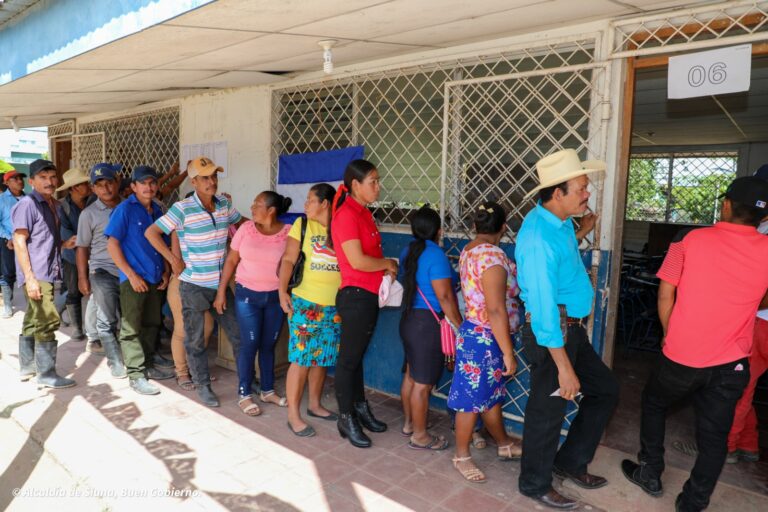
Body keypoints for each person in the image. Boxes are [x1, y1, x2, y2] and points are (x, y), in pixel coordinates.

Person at [622, 176, 768, 512]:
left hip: (683, 355)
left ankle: (651, 472)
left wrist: (670, 334)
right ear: (762, 216)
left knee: (655, 403)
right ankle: (693, 502)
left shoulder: (689, 238)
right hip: (733, 363)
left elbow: (665, 293)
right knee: (715, 438)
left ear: (726, 204)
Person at [515, 149, 618, 510]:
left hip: (570, 330)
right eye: (581, 188)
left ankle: (569, 462)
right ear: (557, 193)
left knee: (604, 391)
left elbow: (562, 260)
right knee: (548, 413)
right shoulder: (538, 237)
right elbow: (542, 308)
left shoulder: (557, 225)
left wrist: (584, 228)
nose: (587, 193)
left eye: (586, 186)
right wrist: (563, 365)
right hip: (552, 334)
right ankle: (534, 483)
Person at [146, 156, 244, 408]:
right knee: (195, 339)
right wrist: (172, 259)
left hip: (220, 285)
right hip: (194, 286)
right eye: (205, 178)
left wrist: (266, 229)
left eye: (214, 176)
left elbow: (241, 223)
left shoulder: (223, 204)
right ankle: (203, 385)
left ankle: (247, 382)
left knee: (238, 335)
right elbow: (152, 232)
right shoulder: (182, 208)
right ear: (194, 181)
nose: (212, 182)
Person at [446, 201, 522, 481]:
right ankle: (461, 456)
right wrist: (508, 352)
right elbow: (495, 309)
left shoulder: (470, 250)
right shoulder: (492, 257)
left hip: (477, 334)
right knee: (470, 400)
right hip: (485, 338)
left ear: (476, 225)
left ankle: (503, 445)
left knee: (490, 397)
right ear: (504, 227)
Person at [330, 159, 398, 448]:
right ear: (355, 185)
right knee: (347, 360)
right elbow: (357, 261)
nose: (377, 186)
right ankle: (345, 418)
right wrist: (387, 263)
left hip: (367, 296)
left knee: (355, 357)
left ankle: (359, 408)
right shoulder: (346, 215)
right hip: (355, 296)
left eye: (378, 180)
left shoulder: (364, 214)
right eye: (372, 181)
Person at [217, 191, 291, 416]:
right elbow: (231, 260)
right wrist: (221, 291)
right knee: (249, 345)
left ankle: (267, 390)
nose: (252, 208)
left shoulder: (288, 233)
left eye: (257, 204)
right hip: (247, 296)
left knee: (268, 345)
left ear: (271, 210)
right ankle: (244, 393)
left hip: (275, 298)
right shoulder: (245, 229)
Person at [105, 166, 175, 396]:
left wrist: (165, 271)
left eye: (153, 182)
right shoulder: (124, 210)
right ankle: (136, 374)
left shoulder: (158, 210)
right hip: (134, 278)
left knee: (152, 322)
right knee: (131, 327)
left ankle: (147, 365)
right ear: (133, 187)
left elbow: (162, 243)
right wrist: (131, 275)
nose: (149, 187)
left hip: (155, 276)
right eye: (143, 183)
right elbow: (112, 245)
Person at [278, 184, 341, 437]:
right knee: (301, 359)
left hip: (334, 306)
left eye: (310, 200)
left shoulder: (341, 228)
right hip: (305, 303)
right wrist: (282, 291)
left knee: (323, 357)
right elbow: (288, 259)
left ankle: (315, 404)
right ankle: (293, 415)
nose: (305, 205)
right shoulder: (302, 226)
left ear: (325, 203)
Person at [398, 206, 462, 451]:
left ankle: (408, 424)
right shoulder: (436, 255)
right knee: (423, 385)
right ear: (439, 230)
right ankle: (421, 435)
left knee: (411, 377)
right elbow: (445, 298)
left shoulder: (408, 251)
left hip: (409, 320)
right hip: (427, 325)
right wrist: (461, 326)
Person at [11, 159, 76, 388]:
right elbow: (19, 241)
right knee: (47, 319)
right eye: (43, 178)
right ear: (32, 182)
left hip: (48, 268)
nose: (49, 182)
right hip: (37, 273)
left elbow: (44, 238)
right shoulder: (28, 204)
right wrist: (30, 279)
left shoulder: (52, 204)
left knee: (33, 318)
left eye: (52, 177)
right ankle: (47, 374)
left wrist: (64, 243)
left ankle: (27, 366)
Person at [726, 164, 768, 465]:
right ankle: (749, 444)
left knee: (737, 387)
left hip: (762, 321)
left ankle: (724, 448)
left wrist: (750, 301)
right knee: (748, 383)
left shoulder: (763, 232)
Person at [76, 163, 126, 378]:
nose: (106, 189)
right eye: (100, 185)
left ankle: (134, 356)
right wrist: (82, 277)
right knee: (106, 319)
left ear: (117, 183)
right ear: (93, 189)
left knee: (130, 316)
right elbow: (82, 247)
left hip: (128, 270)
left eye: (109, 183)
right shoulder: (89, 214)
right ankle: (115, 361)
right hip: (102, 270)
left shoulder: (128, 206)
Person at [167, 228, 214, 391]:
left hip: (205, 283)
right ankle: (181, 372)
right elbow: (177, 260)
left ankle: (196, 369)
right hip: (183, 281)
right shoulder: (180, 227)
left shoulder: (215, 223)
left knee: (206, 327)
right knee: (182, 329)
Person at [57, 167, 95, 344]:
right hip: (72, 257)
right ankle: (77, 328)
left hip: (95, 254)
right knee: (74, 291)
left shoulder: (94, 200)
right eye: (82, 184)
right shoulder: (63, 208)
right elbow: (68, 238)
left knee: (97, 291)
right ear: (73, 188)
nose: (87, 186)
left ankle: (95, 328)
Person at [0, 169, 25, 318]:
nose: (19, 181)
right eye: (15, 179)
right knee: (7, 273)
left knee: (27, 272)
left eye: (20, 178)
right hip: (7, 242)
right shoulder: (2, 200)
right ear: (6, 182)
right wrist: (8, 237)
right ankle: (8, 305)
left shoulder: (29, 199)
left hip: (27, 242)